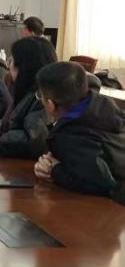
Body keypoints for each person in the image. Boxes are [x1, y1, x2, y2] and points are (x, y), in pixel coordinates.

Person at [34, 62, 125, 203]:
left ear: (50, 104)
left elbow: (98, 184)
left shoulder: (70, 135)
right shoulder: (103, 105)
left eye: (41, 96)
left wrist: (54, 170)